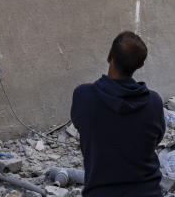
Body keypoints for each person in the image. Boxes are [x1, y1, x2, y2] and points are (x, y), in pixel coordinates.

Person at [70, 31, 165, 197]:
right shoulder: (154, 102)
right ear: (140, 65)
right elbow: (156, 139)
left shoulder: (83, 96)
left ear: (109, 55)